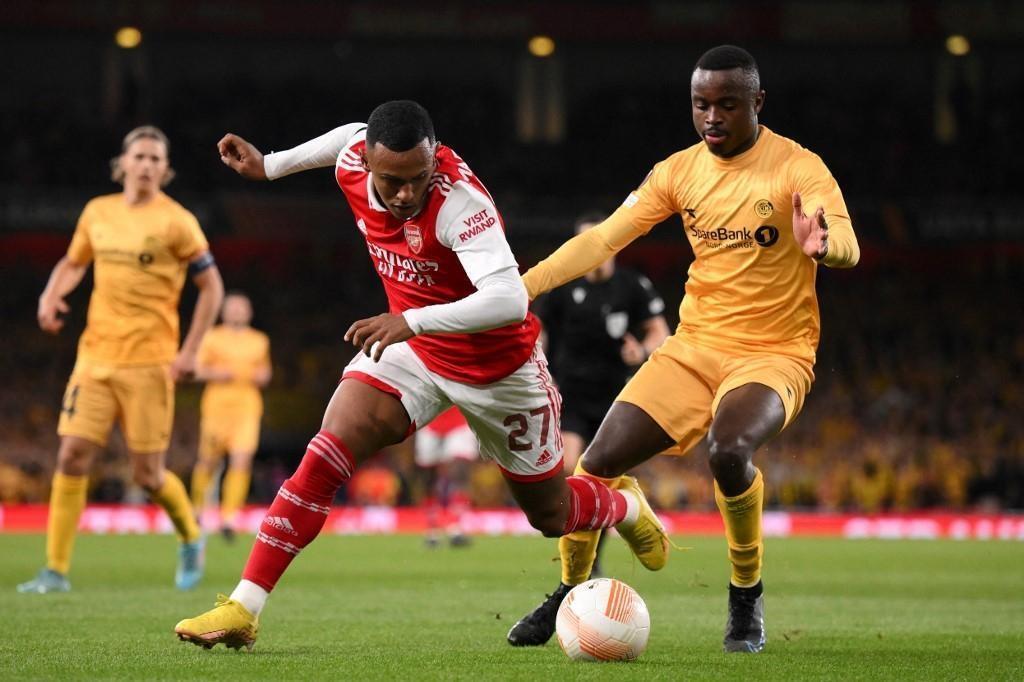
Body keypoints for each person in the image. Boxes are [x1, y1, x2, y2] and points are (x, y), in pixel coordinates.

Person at [173, 100, 667, 651]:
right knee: (324, 453)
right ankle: (245, 605)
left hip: (498, 371)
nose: (406, 193)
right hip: (415, 351)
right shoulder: (355, 160)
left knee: (552, 516)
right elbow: (343, 137)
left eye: (418, 178)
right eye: (392, 181)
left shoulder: (461, 203)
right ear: (369, 165)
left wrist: (409, 319)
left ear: (434, 161)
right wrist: (270, 166)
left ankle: (625, 506)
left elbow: (507, 299)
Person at [506, 45, 859, 653]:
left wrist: (823, 246)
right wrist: (523, 286)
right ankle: (569, 591)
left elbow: (848, 243)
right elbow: (602, 242)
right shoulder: (677, 171)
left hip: (774, 352)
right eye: (701, 105)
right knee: (593, 465)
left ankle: (745, 599)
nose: (712, 117)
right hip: (694, 347)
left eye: (727, 104)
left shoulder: (799, 168)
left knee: (728, 450)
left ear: (758, 103)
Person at [17, 125, 224, 594]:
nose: (148, 164)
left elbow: (211, 287)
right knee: (71, 455)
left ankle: (191, 536)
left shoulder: (178, 222)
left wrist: (190, 350)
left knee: (147, 474)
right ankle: (55, 570)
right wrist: (51, 296)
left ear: (165, 170)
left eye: (156, 158)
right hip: (94, 356)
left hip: (150, 362)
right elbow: (74, 262)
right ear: (123, 164)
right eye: (140, 156)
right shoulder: (98, 212)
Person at [525, 211, 670, 578]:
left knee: (603, 479)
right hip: (571, 395)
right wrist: (537, 367)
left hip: (617, 400)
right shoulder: (562, 289)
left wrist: (642, 351)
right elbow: (539, 336)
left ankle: (591, 560)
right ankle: (581, 563)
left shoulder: (631, 286)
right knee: (573, 471)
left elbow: (659, 332)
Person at [189, 291, 272, 542]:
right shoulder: (212, 337)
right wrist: (217, 373)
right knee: (209, 461)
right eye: (233, 308)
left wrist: (261, 377)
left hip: (247, 406)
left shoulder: (259, 341)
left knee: (242, 460)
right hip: (217, 406)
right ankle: (197, 509)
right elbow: (196, 370)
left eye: (241, 308)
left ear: (249, 313)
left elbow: (266, 373)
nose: (237, 312)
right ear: (224, 312)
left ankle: (229, 517)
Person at [414, 405, 477, 548]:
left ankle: (455, 528)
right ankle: (432, 530)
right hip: (429, 420)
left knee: (459, 472)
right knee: (428, 479)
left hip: (459, 420)